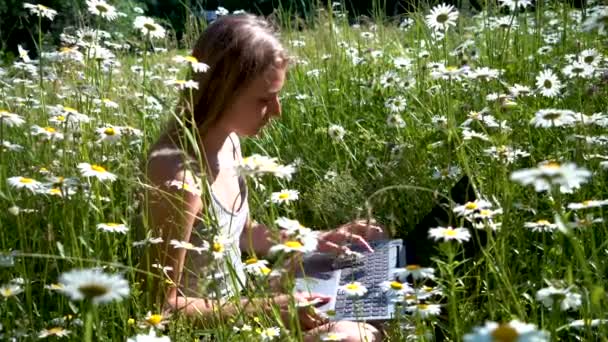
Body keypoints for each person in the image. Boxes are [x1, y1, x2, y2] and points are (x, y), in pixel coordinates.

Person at [144, 14, 388, 341]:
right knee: (351, 335)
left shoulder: (227, 141)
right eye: (263, 99)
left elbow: (241, 234)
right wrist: (269, 308)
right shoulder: (178, 179)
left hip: (244, 301)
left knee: (366, 263)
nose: (277, 110)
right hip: (215, 328)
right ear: (221, 91)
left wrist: (318, 239)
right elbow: (163, 306)